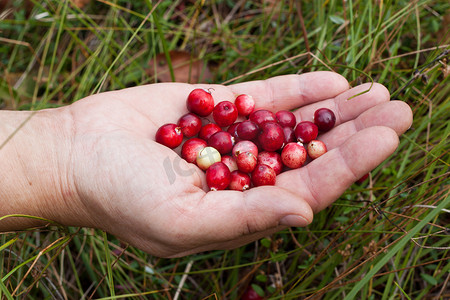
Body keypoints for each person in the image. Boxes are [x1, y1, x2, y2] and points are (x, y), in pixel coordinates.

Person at [0, 72, 413, 258]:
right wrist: (69, 156)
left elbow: (259, 141)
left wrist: (66, 152)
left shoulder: (251, 140)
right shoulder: (217, 141)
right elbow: (231, 145)